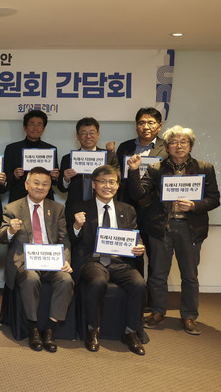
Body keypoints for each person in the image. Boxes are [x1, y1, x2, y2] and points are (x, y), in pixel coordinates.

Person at [127, 125, 220, 335]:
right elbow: (138, 194)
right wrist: (133, 171)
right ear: (167, 147)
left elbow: (214, 199)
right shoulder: (156, 168)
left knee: (190, 275)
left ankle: (189, 316)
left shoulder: (204, 167)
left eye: (183, 142)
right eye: (173, 142)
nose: (179, 146)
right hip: (162, 227)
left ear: (190, 146)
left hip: (191, 228)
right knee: (158, 274)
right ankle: (158, 312)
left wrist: (195, 205)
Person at [68, 165, 147, 355]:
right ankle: (93, 330)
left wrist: (139, 246)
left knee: (139, 284)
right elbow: (70, 240)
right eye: (102, 182)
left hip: (120, 261)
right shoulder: (79, 208)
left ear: (118, 185)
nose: (107, 186)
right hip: (92, 260)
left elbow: (135, 235)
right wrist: (76, 226)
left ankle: (131, 332)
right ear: (94, 185)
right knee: (97, 281)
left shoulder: (127, 209)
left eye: (112, 182)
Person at [0, 167, 73, 352]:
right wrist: (10, 231)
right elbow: (1, 237)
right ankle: (33, 328)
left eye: (45, 184)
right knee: (31, 278)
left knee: (66, 280)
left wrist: (66, 260)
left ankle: (49, 329)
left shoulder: (57, 209)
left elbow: (64, 239)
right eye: (36, 183)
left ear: (49, 187)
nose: (40, 187)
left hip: (51, 260)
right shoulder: (12, 208)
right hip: (25, 261)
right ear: (26, 184)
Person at [113, 107, 168, 278]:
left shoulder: (167, 148)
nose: (146, 127)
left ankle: (152, 293)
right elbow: (117, 176)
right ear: (136, 125)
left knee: (155, 256)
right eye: (141, 123)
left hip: (155, 209)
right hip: (128, 208)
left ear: (159, 126)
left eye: (151, 123)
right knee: (131, 253)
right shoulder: (125, 147)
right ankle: (136, 290)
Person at [58, 117, 119, 221]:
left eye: (92, 133)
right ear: (77, 136)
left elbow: (118, 182)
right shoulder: (68, 158)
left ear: (98, 134)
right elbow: (61, 188)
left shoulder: (109, 156)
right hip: (75, 208)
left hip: (103, 208)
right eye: (83, 133)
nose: (88, 136)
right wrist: (66, 179)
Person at [3, 110, 59, 204]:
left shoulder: (50, 149)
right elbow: (5, 179)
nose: (35, 128)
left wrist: (54, 177)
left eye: (39, 125)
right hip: (19, 199)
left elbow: (55, 182)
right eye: (32, 124)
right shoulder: (12, 149)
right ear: (25, 127)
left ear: (43, 128)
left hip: (44, 199)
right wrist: (14, 176)